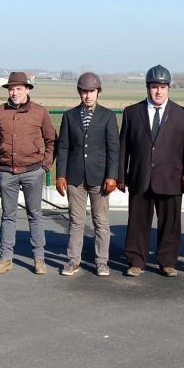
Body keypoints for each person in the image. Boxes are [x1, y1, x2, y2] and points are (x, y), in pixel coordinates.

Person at [118, 64, 184, 277]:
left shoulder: (183, 114)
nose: (158, 91)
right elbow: (123, 146)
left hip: (171, 178)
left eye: (162, 87)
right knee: (137, 223)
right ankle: (136, 260)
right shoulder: (132, 113)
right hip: (140, 177)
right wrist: (120, 176)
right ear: (147, 88)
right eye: (154, 87)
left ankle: (168, 261)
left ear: (169, 88)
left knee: (170, 224)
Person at [0, 72, 57, 275]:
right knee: (8, 216)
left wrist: (45, 166)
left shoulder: (40, 112)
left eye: (18, 89)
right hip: (6, 173)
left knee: (35, 215)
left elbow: (52, 141)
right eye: (11, 89)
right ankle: (6, 258)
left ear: (27, 89)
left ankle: (39, 259)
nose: (14, 93)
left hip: (33, 171)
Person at [55, 72, 119, 276]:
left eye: (91, 91)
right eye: (84, 91)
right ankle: (73, 261)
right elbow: (63, 147)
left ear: (98, 92)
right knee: (76, 221)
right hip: (75, 177)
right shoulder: (69, 116)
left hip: (100, 179)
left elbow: (113, 148)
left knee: (101, 221)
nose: (88, 95)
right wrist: (60, 175)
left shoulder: (108, 116)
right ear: (79, 92)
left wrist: (112, 176)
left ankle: (102, 262)